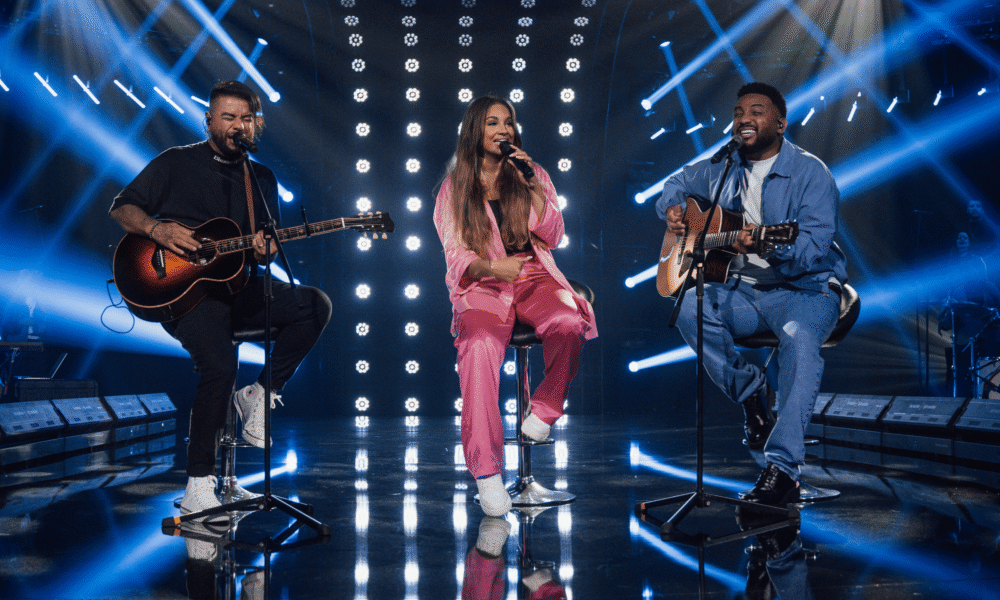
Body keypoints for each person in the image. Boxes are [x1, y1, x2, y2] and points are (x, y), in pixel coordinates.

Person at [109, 80, 332, 520]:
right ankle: (199, 485)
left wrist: (266, 250)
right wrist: (158, 229)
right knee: (219, 365)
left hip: (236, 285)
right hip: (183, 290)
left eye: (246, 118)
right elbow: (122, 207)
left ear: (256, 125)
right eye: (228, 117)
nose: (237, 125)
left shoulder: (260, 179)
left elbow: (263, 248)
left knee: (314, 305)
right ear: (209, 120)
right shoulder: (176, 162)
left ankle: (261, 393)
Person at [656, 82, 848, 506]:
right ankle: (750, 394)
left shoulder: (811, 173)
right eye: (739, 112)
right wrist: (672, 208)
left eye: (756, 111)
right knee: (686, 306)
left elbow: (813, 250)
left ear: (780, 123)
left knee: (799, 341)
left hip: (807, 289)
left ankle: (783, 469)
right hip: (747, 292)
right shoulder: (724, 166)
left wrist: (766, 245)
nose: (745, 118)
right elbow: (676, 182)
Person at [434, 96, 597, 516]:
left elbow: (554, 235)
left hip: (534, 274)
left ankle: (544, 409)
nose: (503, 129)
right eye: (492, 123)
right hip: (484, 283)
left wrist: (534, 188)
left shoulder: (532, 172)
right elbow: (456, 253)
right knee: (478, 349)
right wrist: (492, 267)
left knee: (569, 320)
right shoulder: (454, 187)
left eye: (508, 122)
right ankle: (487, 473)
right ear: (476, 130)